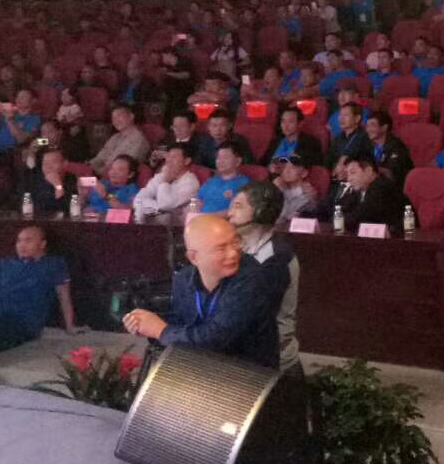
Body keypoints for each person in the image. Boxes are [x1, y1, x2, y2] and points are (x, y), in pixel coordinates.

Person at [121, 214, 280, 369]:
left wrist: (160, 330)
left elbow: (215, 338)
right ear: (194, 258)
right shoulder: (184, 279)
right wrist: (145, 324)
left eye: (235, 243)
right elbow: (182, 324)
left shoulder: (252, 279)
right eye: (221, 249)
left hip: (247, 373)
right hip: (202, 368)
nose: (233, 253)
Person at [0, 225, 80, 353]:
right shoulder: (7, 263)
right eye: (19, 241)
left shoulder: (53, 265)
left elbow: (64, 297)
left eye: (28, 241)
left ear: (42, 244)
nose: (22, 245)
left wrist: (70, 326)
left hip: (22, 323)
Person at [225, 181, 301, 374]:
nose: (229, 213)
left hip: (271, 363)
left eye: (238, 206)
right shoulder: (235, 246)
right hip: (244, 357)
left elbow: (251, 313)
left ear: (260, 212)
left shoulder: (277, 258)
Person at [327, 153, 407, 236]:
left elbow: (359, 217)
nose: (349, 179)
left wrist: (339, 220)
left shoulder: (382, 187)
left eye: (353, 172)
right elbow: (338, 211)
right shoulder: (358, 191)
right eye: (348, 174)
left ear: (369, 171)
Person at [133, 143, 201, 220]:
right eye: (168, 156)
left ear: (187, 161)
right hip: (152, 220)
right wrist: (158, 208)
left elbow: (165, 205)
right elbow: (139, 198)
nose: (169, 160)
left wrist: (165, 182)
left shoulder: (191, 183)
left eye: (174, 157)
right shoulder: (162, 175)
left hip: (175, 225)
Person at [0, 88, 40, 161]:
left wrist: (10, 121)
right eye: (17, 96)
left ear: (33, 101)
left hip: (8, 154)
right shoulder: (9, 111)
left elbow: (21, 139)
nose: (18, 99)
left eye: (23, 96)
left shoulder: (34, 119)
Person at [364, 109, 413, 189]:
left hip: (394, 188)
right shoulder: (367, 144)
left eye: (372, 125)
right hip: (373, 184)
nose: (368, 130)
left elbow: (391, 174)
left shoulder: (397, 146)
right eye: (367, 126)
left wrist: (367, 169)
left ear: (384, 128)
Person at [197, 143, 252, 214]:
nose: (220, 161)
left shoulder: (244, 184)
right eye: (218, 157)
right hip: (199, 218)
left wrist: (209, 216)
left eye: (225, 157)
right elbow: (197, 200)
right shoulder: (211, 181)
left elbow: (239, 208)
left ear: (238, 161)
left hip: (220, 220)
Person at [26, 146, 77, 216]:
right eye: (45, 164)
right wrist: (58, 186)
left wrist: (58, 186)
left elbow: (71, 210)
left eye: (53, 162)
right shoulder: (35, 181)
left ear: (65, 163)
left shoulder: (72, 179)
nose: (48, 167)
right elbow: (44, 211)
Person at [271, 153, 319, 222]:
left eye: (292, 167)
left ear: (304, 173)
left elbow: (284, 218)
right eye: (284, 167)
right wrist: (274, 190)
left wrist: (278, 191)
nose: (287, 171)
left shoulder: (308, 194)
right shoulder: (278, 188)